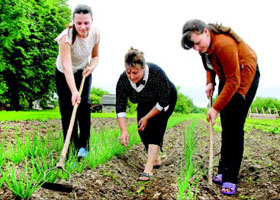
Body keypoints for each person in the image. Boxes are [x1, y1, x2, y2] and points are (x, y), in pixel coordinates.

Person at [181, 19, 260, 195]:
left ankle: (231, 176)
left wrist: (215, 107)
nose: (196, 48)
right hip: (228, 75)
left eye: (197, 43)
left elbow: (234, 80)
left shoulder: (225, 45)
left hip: (244, 76)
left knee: (234, 126)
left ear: (206, 32)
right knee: (226, 125)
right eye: (193, 45)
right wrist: (210, 82)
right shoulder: (204, 46)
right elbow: (208, 64)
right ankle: (223, 170)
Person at [116, 47, 177, 181]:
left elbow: (163, 101)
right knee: (142, 130)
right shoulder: (123, 80)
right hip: (144, 101)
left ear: (143, 68)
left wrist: (147, 117)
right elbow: (120, 107)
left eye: (135, 73)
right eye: (128, 72)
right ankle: (155, 159)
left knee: (155, 128)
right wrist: (124, 130)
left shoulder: (157, 73)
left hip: (165, 101)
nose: (131, 76)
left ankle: (148, 168)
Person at [55, 4, 100, 159]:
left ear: (91, 21)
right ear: (73, 21)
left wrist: (91, 68)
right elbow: (67, 66)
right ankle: (71, 150)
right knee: (68, 109)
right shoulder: (65, 37)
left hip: (83, 71)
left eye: (86, 23)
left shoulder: (95, 34)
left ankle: (83, 146)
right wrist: (74, 91)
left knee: (84, 106)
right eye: (79, 23)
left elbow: (95, 57)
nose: (83, 27)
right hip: (63, 73)